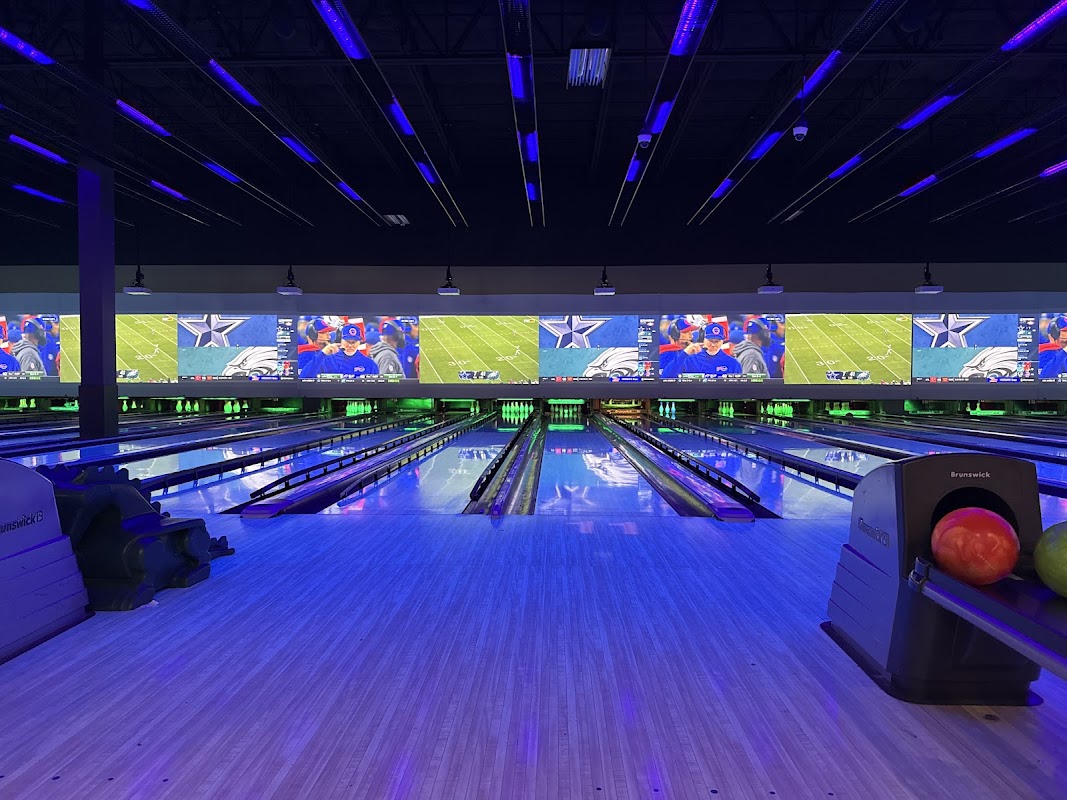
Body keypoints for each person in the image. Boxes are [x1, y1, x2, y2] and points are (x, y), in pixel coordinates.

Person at [662, 322, 741, 378]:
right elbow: (666, 377)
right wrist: (684, 354)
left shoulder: (733, 363)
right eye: (710, 340)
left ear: (723, 341)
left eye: (717, 341)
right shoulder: (689, 359)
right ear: (702, 339)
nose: (713, 345)